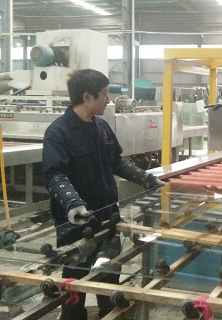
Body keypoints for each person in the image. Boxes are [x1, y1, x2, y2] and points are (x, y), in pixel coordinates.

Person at [42, 69, 165, 320]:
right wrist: (73, 203)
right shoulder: (58, 132)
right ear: (87, 97)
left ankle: (109, 313)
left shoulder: (102, 127)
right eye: (104, 94)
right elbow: (55, 175)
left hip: (108, 217)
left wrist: (146, 178)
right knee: (75, 283)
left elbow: (116, 162)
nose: (108, 100)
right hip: (77, 223)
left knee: (108, 277)